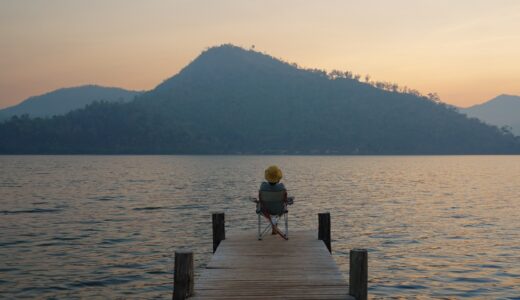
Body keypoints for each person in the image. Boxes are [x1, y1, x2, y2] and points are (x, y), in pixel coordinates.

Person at [258, 165, 288, 235]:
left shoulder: (263, 186)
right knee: (275, 207)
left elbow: (260, 199)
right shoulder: (282, 187)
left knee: (267, 207)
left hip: (265, 211)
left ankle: (273, 226)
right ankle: (274, 226)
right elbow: (285, 199)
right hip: (279, 210)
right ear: (278, 177)